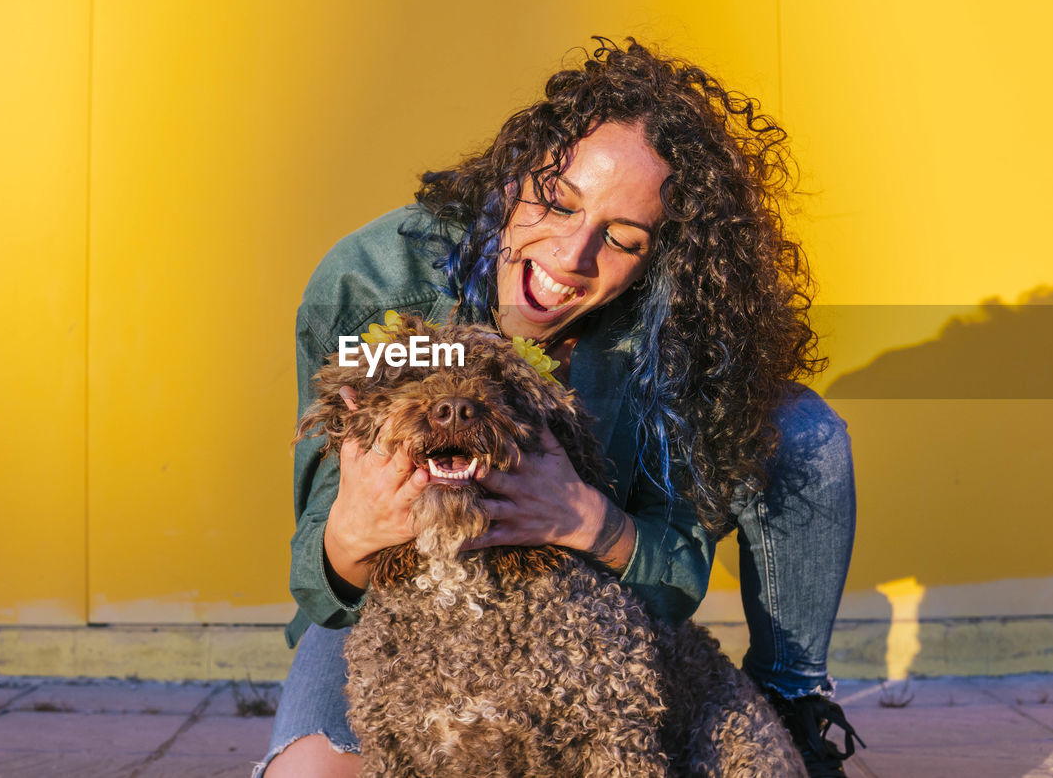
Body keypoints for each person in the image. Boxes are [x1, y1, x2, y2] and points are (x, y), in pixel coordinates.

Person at [258, 38, 861, 778]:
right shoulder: (373, 278)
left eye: (622, 238)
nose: (570, 256)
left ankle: (791, 703)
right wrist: (355, 532)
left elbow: (673, 575)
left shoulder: (677, 327)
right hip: (398, 592)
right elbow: (317, 571)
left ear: (661, 257)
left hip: (579, 581)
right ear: (517, 174)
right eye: (558, 200)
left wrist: (581, 517)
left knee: (802, 431)